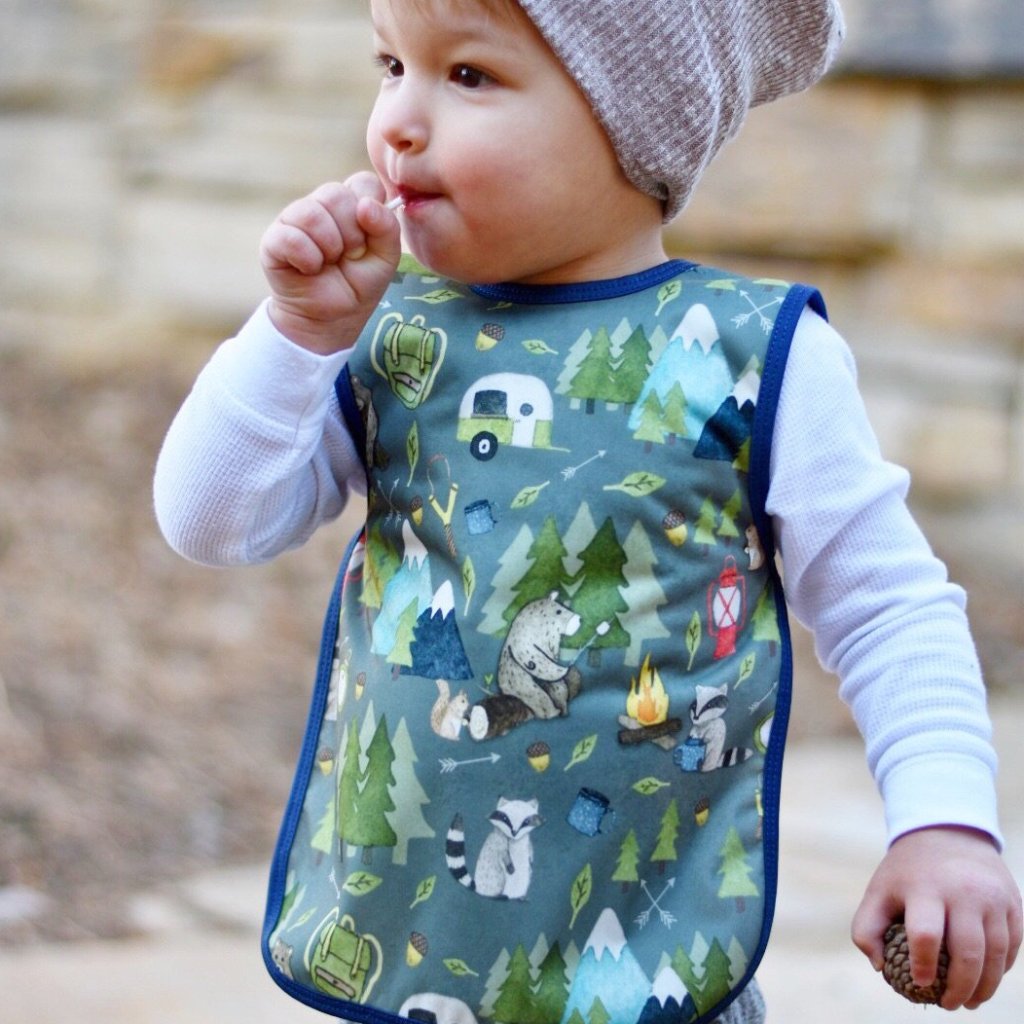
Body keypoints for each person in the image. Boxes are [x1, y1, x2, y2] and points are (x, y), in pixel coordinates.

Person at [153, 1, 1022, 1022]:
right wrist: (294, 334)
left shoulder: (756, 356)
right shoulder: (393, 333)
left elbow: (888, 607)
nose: (396, 121)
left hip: (655, 966)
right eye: (391, 65)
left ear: (635, 119)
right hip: (406, 954)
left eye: (468, 76)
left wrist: (943, 821)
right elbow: (212, 521)